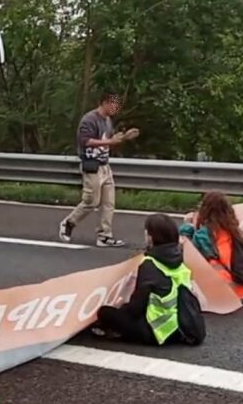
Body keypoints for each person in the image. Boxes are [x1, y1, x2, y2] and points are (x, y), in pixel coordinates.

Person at [93, 214, 205, 345]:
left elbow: (135, 309)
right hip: (180, 328)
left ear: (151, 237)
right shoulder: (180, 260)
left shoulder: (150, 264)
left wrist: (119, 308)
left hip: (156, 332)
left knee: (105, 313)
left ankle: (114, 331)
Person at [58, 91, 139, 247]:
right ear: (105, 103)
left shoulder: (107, 121)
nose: (116, 108)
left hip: (104, 165)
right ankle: (69, 222)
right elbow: (86, 141)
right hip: (92, 165)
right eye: (114, 105)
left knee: (109, 203)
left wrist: (124, 137)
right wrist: (111, 141)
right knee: (91, 201)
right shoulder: (89, 119)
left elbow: (107, 140)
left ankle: (104, 235)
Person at [180, 191, 243, 303]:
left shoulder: (204, 234)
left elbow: (190, 254)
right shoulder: (235, 230)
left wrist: (186, 227)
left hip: (225, 291)